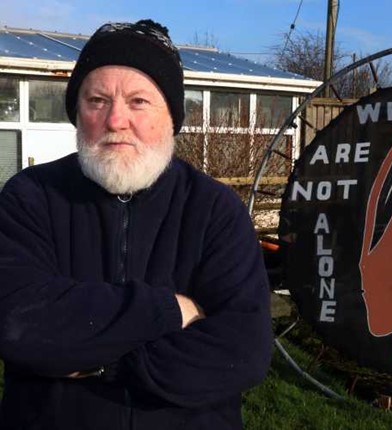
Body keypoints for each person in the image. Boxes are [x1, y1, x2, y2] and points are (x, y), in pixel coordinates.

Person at [0, 19, 273, 429]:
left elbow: (244, 350)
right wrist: (170, 310)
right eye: (97, 100)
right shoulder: (30, 197)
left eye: (138, 101)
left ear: (172, 116)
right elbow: (16, 324)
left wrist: (102, 361)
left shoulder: (215, 210)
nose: (115, 120)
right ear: (77, 113)